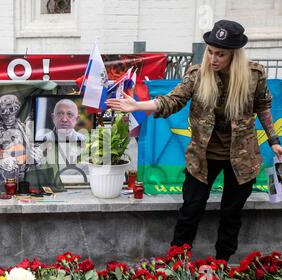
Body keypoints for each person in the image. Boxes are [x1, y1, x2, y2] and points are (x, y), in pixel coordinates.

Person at [106, 20, 282, 262]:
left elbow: (263, 107)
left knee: (231, 214)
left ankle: (222, 264)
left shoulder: (254, 76)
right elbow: (171, 100)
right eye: (210, 51)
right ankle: (178, 263)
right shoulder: (197, 75)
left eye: (221, 54)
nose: (213, 58)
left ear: (234, 55)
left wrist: (273, 139)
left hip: (241, 157)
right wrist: (137, 105)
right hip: (203, 157)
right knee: (190, 210)